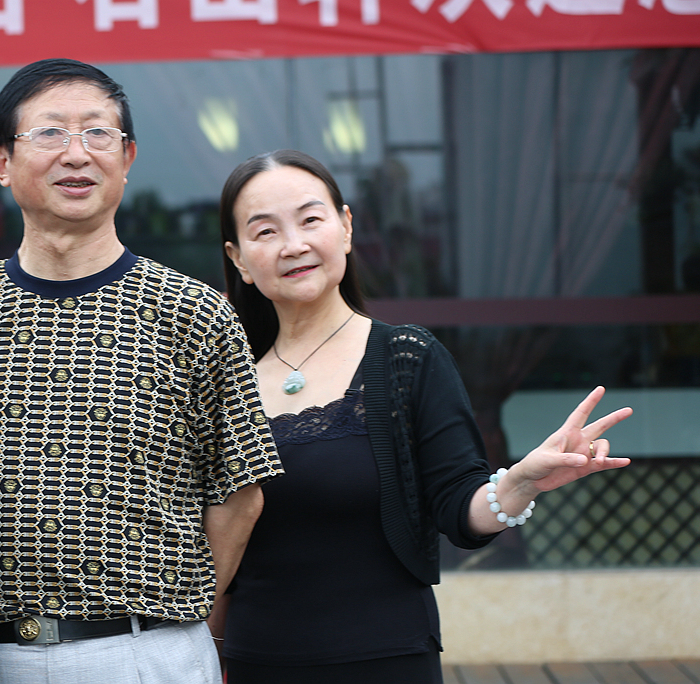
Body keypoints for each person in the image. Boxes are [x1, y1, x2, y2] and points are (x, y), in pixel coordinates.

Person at [0, 58, 284, 684]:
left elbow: (239, 494)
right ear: (1, 161)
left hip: (148, 653)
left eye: (98, 133)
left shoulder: (194, 314)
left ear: (127, 158)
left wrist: (171, 621)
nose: (76, 154)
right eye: (50, 132)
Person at [213, 149, 633, 683]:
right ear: (239, 259)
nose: (293, 244)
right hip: (257, 661)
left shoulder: (407, 359)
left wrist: (519, 483)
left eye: (310, 219)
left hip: (386, 659)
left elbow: (459, 507)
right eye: (266, 231)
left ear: (345, 227)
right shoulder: (222, 379)